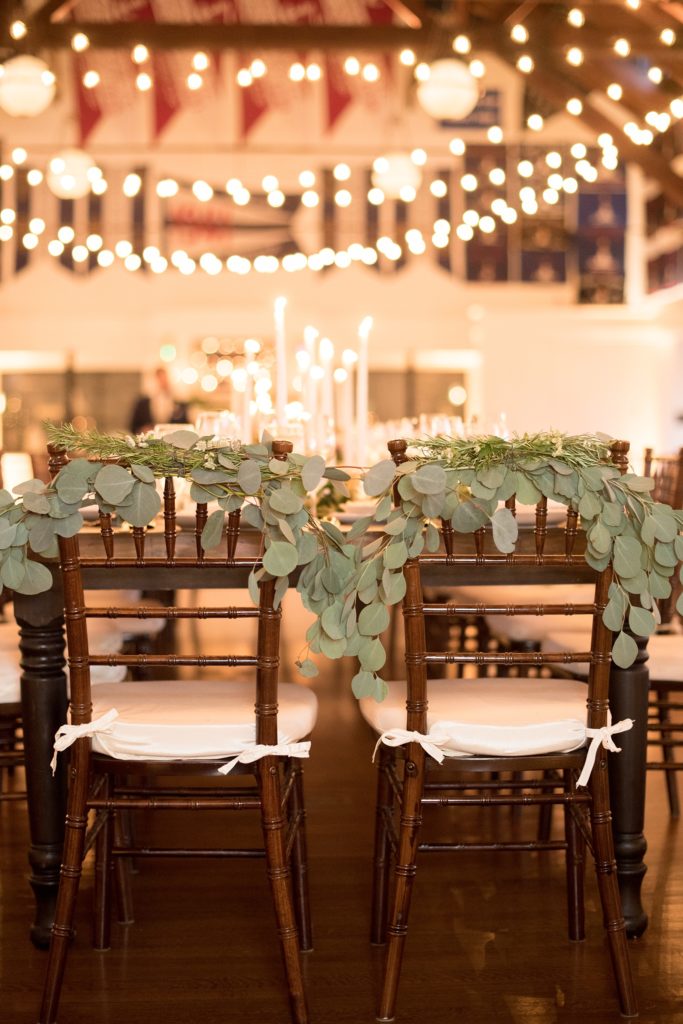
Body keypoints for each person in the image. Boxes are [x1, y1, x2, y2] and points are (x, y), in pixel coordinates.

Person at [129, 367, 190, 434]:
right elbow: (133, 426)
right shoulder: (142, 403)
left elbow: (186, 426)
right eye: (159, 378)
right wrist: (143, 429)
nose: (162, 382)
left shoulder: (178, 401)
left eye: (164, 378)